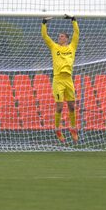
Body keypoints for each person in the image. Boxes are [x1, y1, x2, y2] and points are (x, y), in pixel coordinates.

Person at [41, 14, 80, 144]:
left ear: (67, 39)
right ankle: (57, 129)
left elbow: (77, 33)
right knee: (59, 106)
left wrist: (73, 20)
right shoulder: (54, 47)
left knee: (72, 106)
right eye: (59, 36)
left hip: (68, 79)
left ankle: (73, 128)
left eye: (62, 36)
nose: (59, 38)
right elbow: (45, 37)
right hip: (58, 80)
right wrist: (44, 23)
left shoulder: (71, 47)